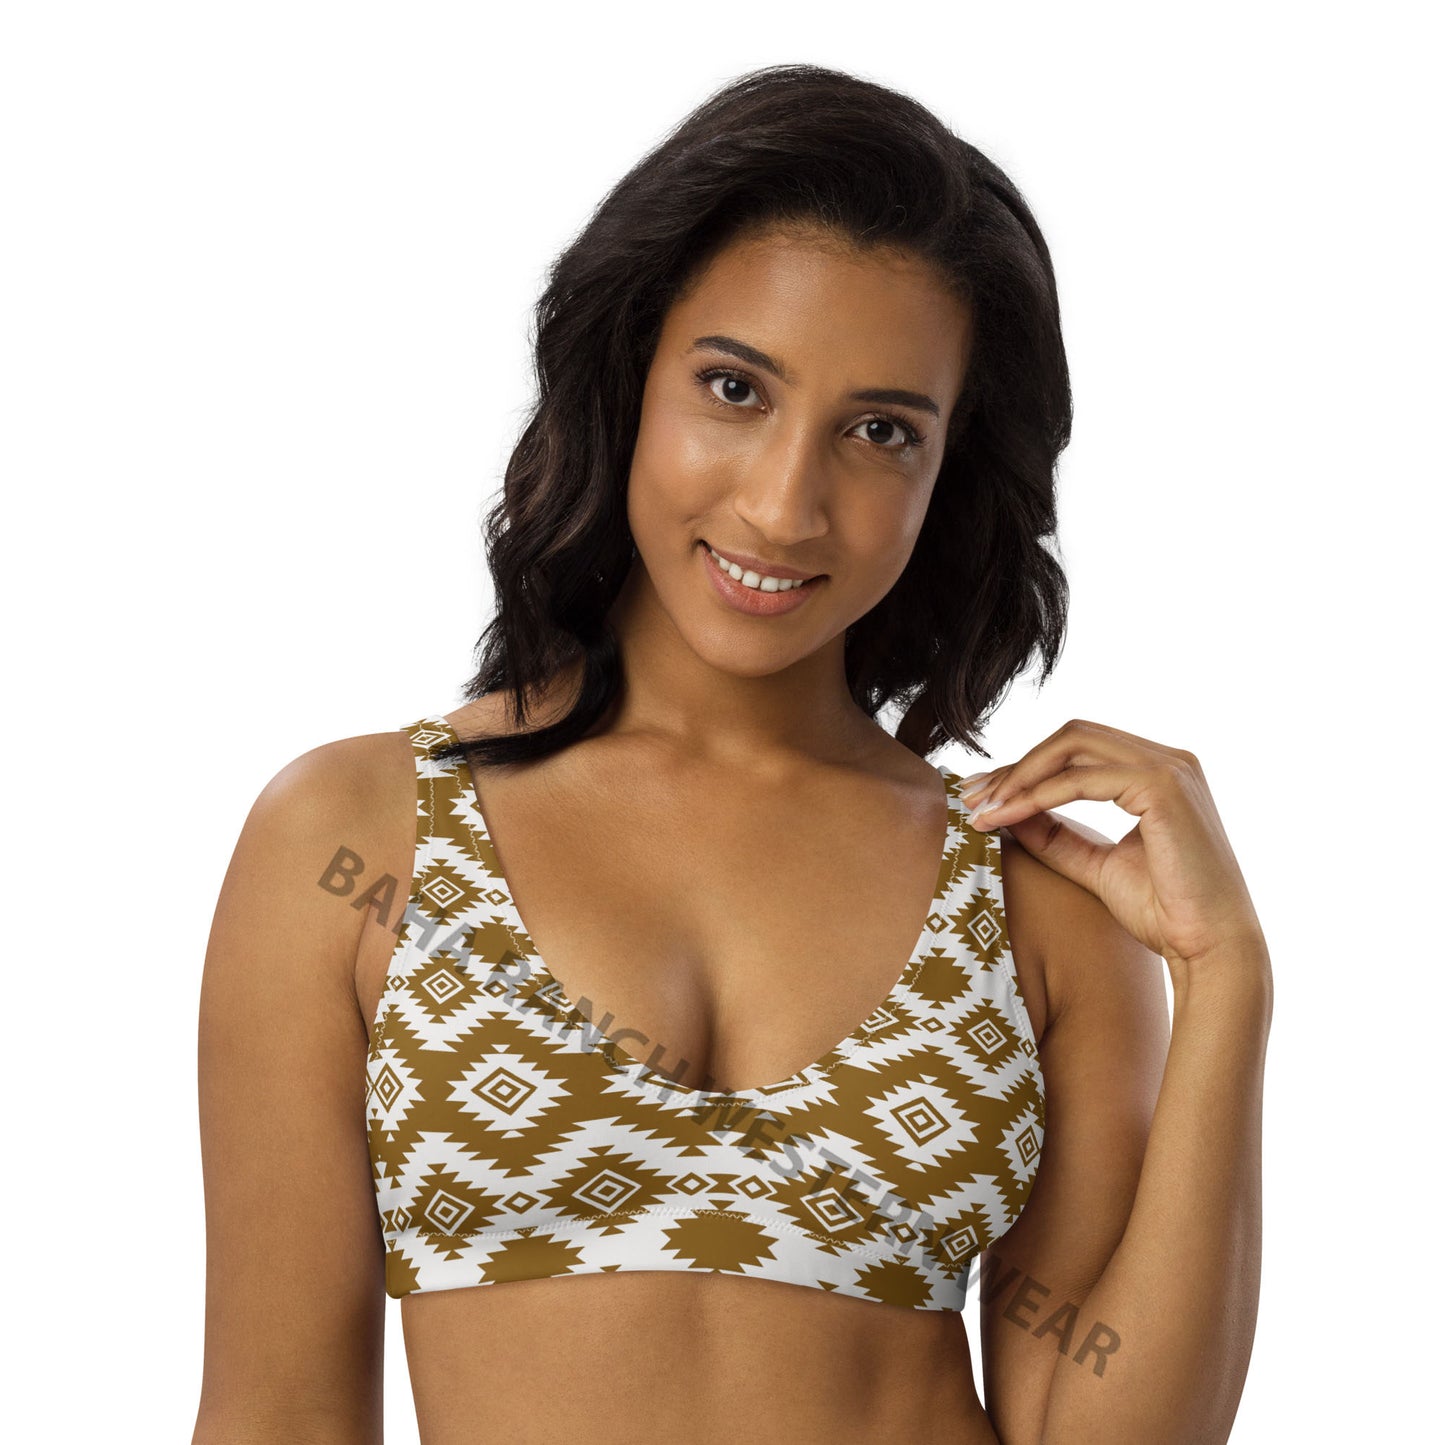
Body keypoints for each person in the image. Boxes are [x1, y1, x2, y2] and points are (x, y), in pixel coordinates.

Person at [192, 63, 1271, 1445]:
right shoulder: (357, 835)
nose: (782, 504)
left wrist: (1225, 979)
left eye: (880, 431)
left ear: (951, 471)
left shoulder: (1030, 895)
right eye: (733, 387)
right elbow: (275, 1415)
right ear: (627, 377)